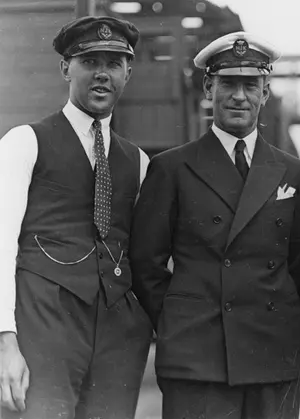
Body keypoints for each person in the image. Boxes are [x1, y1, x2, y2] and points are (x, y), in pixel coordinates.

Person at [129, 32, 300, 419]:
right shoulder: (172, 168)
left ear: (265, 93)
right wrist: (180, 320)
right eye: (228, 84)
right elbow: (145, 263)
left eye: (251, 86)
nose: (239, 97)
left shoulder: (293, 172)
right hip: (198, 356)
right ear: (208, 88)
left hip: (272, 353)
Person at [0, 16, 153, 419]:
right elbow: (0, 244)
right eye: (89, 62)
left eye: (114, 63)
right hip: (44, 327)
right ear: (66, 68)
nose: (102, 74)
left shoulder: (138, 161)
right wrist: (5, 341)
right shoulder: (25, 142)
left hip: (118, 337)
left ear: (128, 73)